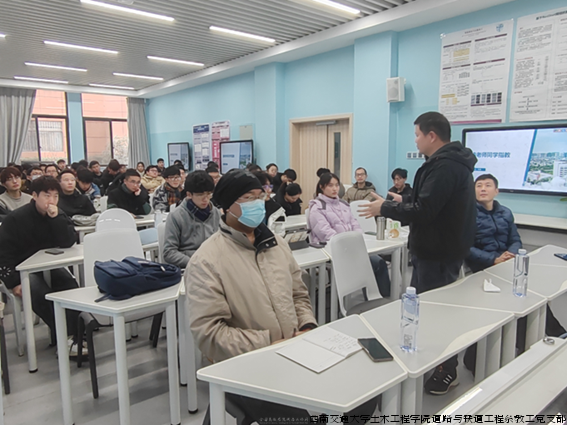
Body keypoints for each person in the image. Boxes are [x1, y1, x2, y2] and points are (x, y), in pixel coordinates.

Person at [186, 169, 319, 423]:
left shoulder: (277, 245)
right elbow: (209, 333)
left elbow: (298, 295)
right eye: (248, 198)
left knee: (354, 399)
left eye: (261, 196)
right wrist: (269, 342)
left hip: (293, 355)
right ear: (227, 206)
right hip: (248, 368)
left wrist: (307, 326)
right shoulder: (207, 261)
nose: (258, 203)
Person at [359, 111, 477, 395]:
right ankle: (435, 361)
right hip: (438, 251)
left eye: (417, 135)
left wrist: (385, 208)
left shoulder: (445, 166)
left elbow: (426, 211)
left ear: (431, 136)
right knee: (427, 311)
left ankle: (446, 369)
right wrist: (403, 200)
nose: (415, 140)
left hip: (438, 253)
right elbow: (434, 202)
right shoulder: (448, 163)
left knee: (436, 314)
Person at [463, 173, 566, 373]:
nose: (483, 189)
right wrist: (493, 259)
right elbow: (465, 248)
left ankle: (549, 335)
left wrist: (511, 254)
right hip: (483, 267)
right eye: (479, 185)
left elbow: (515, 238)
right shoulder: (467, 215)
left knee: (532, 295)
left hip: (508, 265)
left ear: (496, 190)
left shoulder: (505, 213)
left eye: (488, 185)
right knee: (515, 296)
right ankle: (478, 356)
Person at [0, 176, 84, 356]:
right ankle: (66, 335)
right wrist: (13, 282)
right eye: (47, 196)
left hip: (49, 266)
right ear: (34, 196)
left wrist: (57, 219)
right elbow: (3, 253)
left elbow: (68, 241)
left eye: (55, 196)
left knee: (70, 285)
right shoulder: (15, 219)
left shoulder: (58, 214)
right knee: (39, 292)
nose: (52, 201)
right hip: (22, 270)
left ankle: (75, 335)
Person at [309, 173, 391, 297]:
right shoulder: (317, 207)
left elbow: (355, 225)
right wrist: (349, 245)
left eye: (337, 185)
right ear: (321, 187)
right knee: (374, 263)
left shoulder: (343, 204)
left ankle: (380, 299)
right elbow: (327, 234)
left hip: (351, 248)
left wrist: (357, 241)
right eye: (330, 185)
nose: (335, 188)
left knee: (378, 262)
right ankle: (377, 299)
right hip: (333, 251)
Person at [163, 170, 221, 268]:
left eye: (208, 194)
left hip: (214, 264)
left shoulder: (216, 213)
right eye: (200, 195)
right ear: (189, 194)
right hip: (189, 266)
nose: (206, 199)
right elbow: (169, 252)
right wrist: (195, 263)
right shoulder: (176, 216)